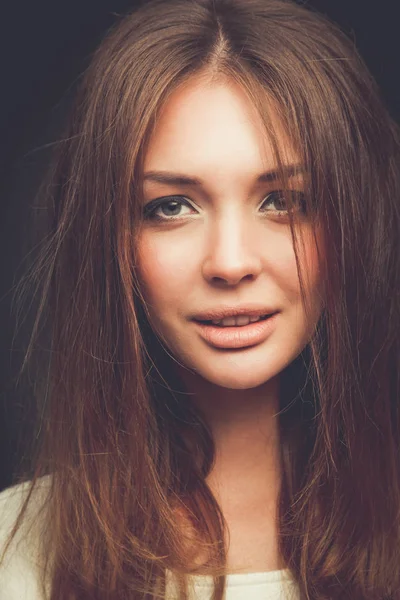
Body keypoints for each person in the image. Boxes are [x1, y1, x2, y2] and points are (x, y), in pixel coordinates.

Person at [0, 0, 399, 598]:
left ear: (354, 221)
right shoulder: (15, 553)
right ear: (111, 242)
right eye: (170, 207)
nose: (231, 263)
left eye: (284, 200)